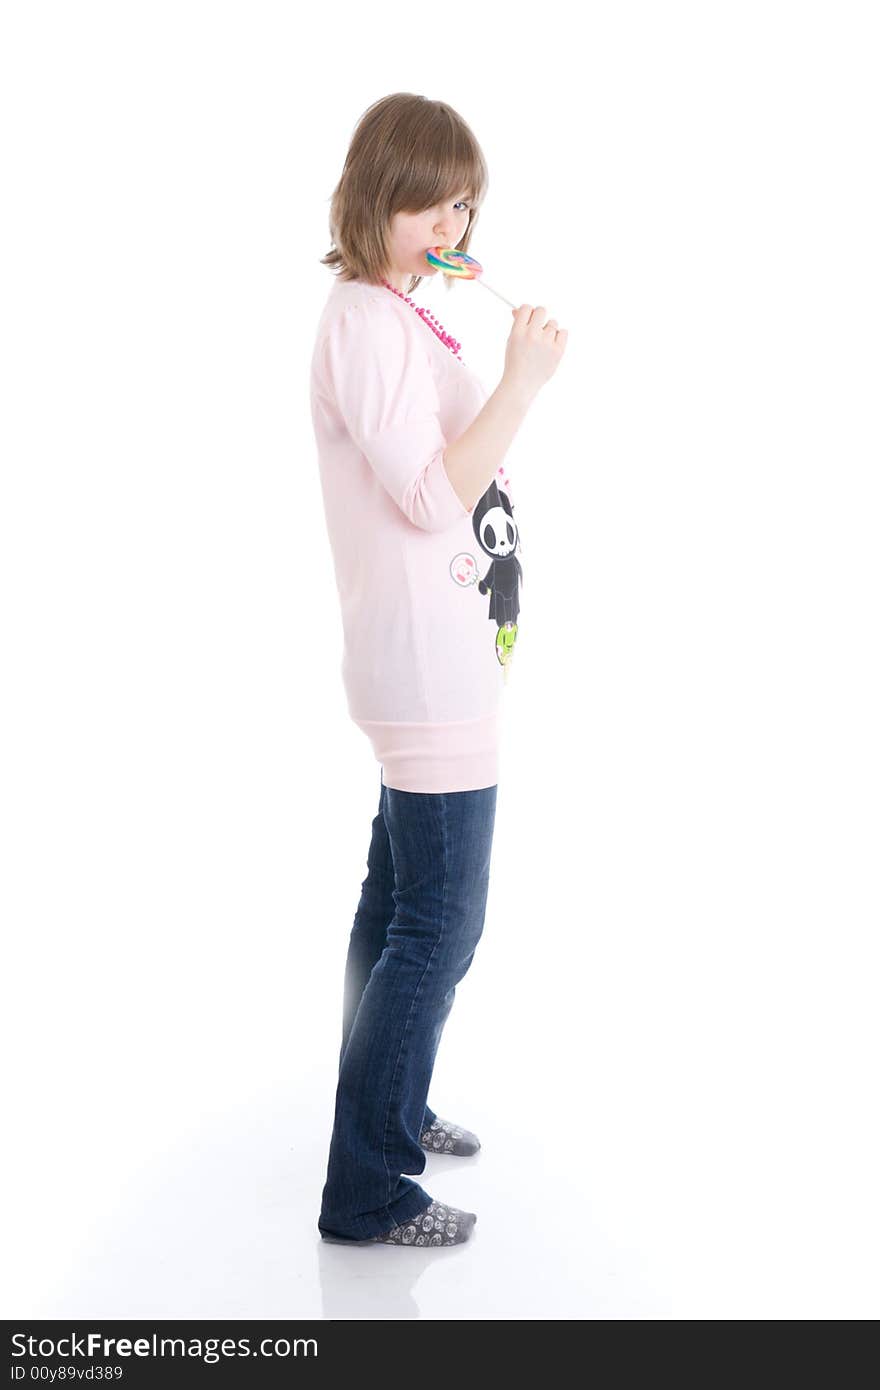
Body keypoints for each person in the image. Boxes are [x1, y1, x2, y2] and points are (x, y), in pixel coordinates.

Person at [309, 93, 567, 1247]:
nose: (452, 218)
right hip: (424, 671)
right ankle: (368, 1188)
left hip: (437, 658)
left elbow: (444, 461)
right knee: (440, 926)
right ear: (379, 197)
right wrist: (520, 383)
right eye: (431, 198)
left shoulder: (402, 314)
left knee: (399, 903)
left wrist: (478, 352)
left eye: (465, 201)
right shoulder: (366, 320)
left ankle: (390, 1112)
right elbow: (426, 496)